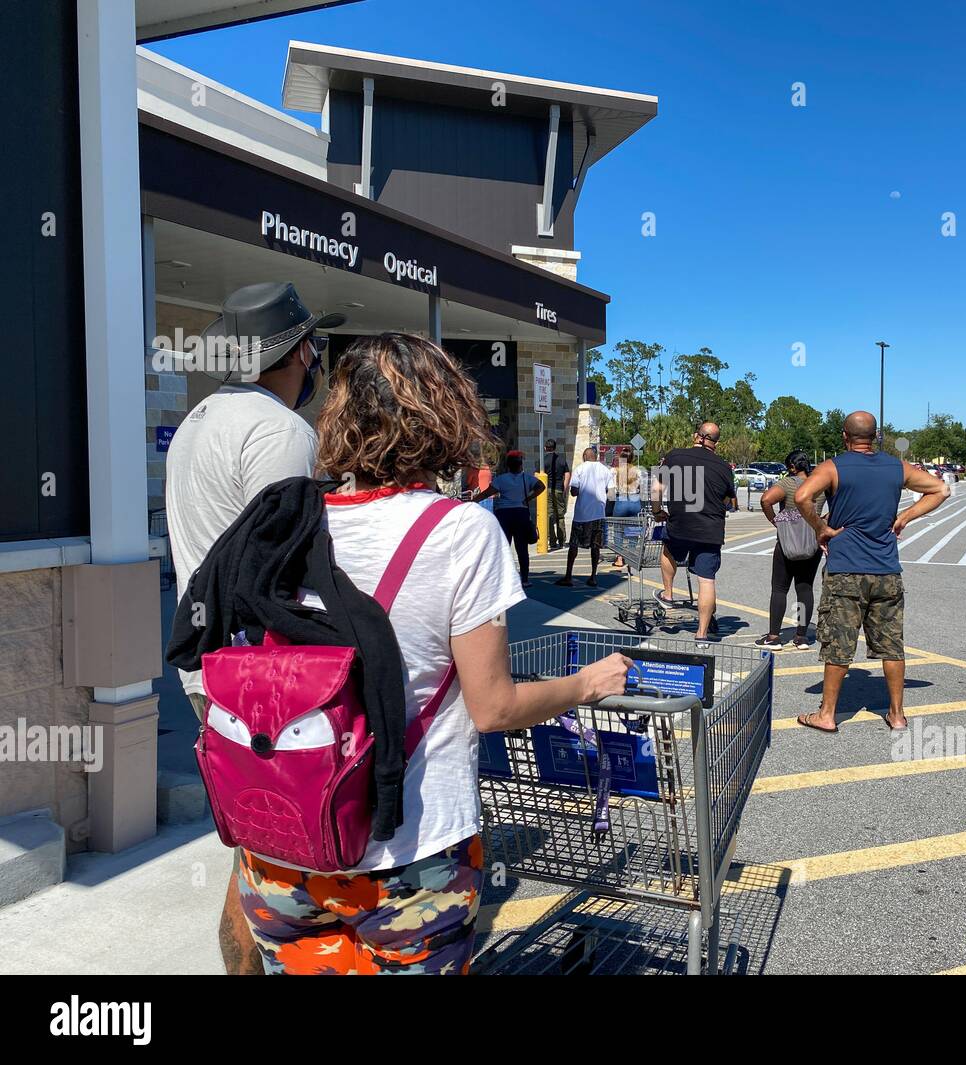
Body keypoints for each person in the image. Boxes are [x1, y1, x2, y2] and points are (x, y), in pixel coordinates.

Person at [232, 332, 631, 974]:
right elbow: (494, 706)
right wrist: (587, 684)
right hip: (408, 857)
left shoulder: (292, 520)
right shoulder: (459, 531)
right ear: (445, 414)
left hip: (284, 852)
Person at [165, 280, 345, 975]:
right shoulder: (281, 432)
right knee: (288, 850)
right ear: (300, 349)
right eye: (315, 345)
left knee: (253, 846)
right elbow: (287, 569)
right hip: (262, 674)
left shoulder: (198, 421)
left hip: (208, 671)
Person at [794, 411, 949, 734]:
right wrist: (906, 516)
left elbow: (801, 497)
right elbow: (940, 490)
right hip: (886, 570)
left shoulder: (833, 466)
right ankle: (896, 714)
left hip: (845, 569)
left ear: (844, 436)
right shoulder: (896, 467)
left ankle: (827, 714)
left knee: (839, 644)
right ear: (876, 436)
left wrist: (821, 527)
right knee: (892, 645)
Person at [652, 421, 738, 648]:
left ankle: (668, 595)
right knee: (706, 580)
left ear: (697, 437)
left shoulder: (675, 456)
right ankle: (701, 635)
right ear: (715, 443)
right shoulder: (724, 467)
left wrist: (657, 511)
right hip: (710, 528)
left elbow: (657, 488)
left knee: (668, 550)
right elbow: (728, 501)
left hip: (680, 523)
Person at [755, 449, 824, 649]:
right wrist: (822, 521)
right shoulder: (819, 484)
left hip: (788, 542)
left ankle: (774, 636)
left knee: (779, 588)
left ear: (792, 467)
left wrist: (776, 520)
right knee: (805, 588)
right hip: (812, 541)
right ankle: (801, 636)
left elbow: (766, 500)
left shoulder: (788, 483)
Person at [474, 449, 543, 587]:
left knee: (504, 547)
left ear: (508, 466)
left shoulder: (501, 479)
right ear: (520, 465)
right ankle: (524, 579)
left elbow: (488, 492)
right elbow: (541, 486)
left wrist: (473, 500)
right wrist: (527, 499)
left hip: (504, 515)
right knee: (522, 548)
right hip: (521, 514)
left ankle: (503, 578)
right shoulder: (527, 479)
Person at [557, 446, 614, 587]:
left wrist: (579, 489)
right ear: (596, 456)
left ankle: (568, 576)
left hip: (582, 514)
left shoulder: (580, 469)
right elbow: (611, 494)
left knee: (574, 545)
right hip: (598, 514)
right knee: (596, 546)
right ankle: (593, 576)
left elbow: (574, 492)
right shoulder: (606, 470)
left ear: (584, 457)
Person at [610, 447, 645, 568]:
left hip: (621, 501)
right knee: (633, 530)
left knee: (618, 531)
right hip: (635, 500)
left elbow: (611, 490)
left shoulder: (615, 471)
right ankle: (631, 555)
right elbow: (641, 487)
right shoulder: (638, 471)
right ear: (632, 458)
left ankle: (619, 558)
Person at [542, 438, 571, 547]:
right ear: (555, 448)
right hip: (559, 489)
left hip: (546, 490)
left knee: (549, 515)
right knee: (560, 516)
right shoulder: (562, 459)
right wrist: (564, 486)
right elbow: (567, 473)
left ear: (545, 448)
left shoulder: (543, 461)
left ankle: (552, 541)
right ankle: (562, 540)